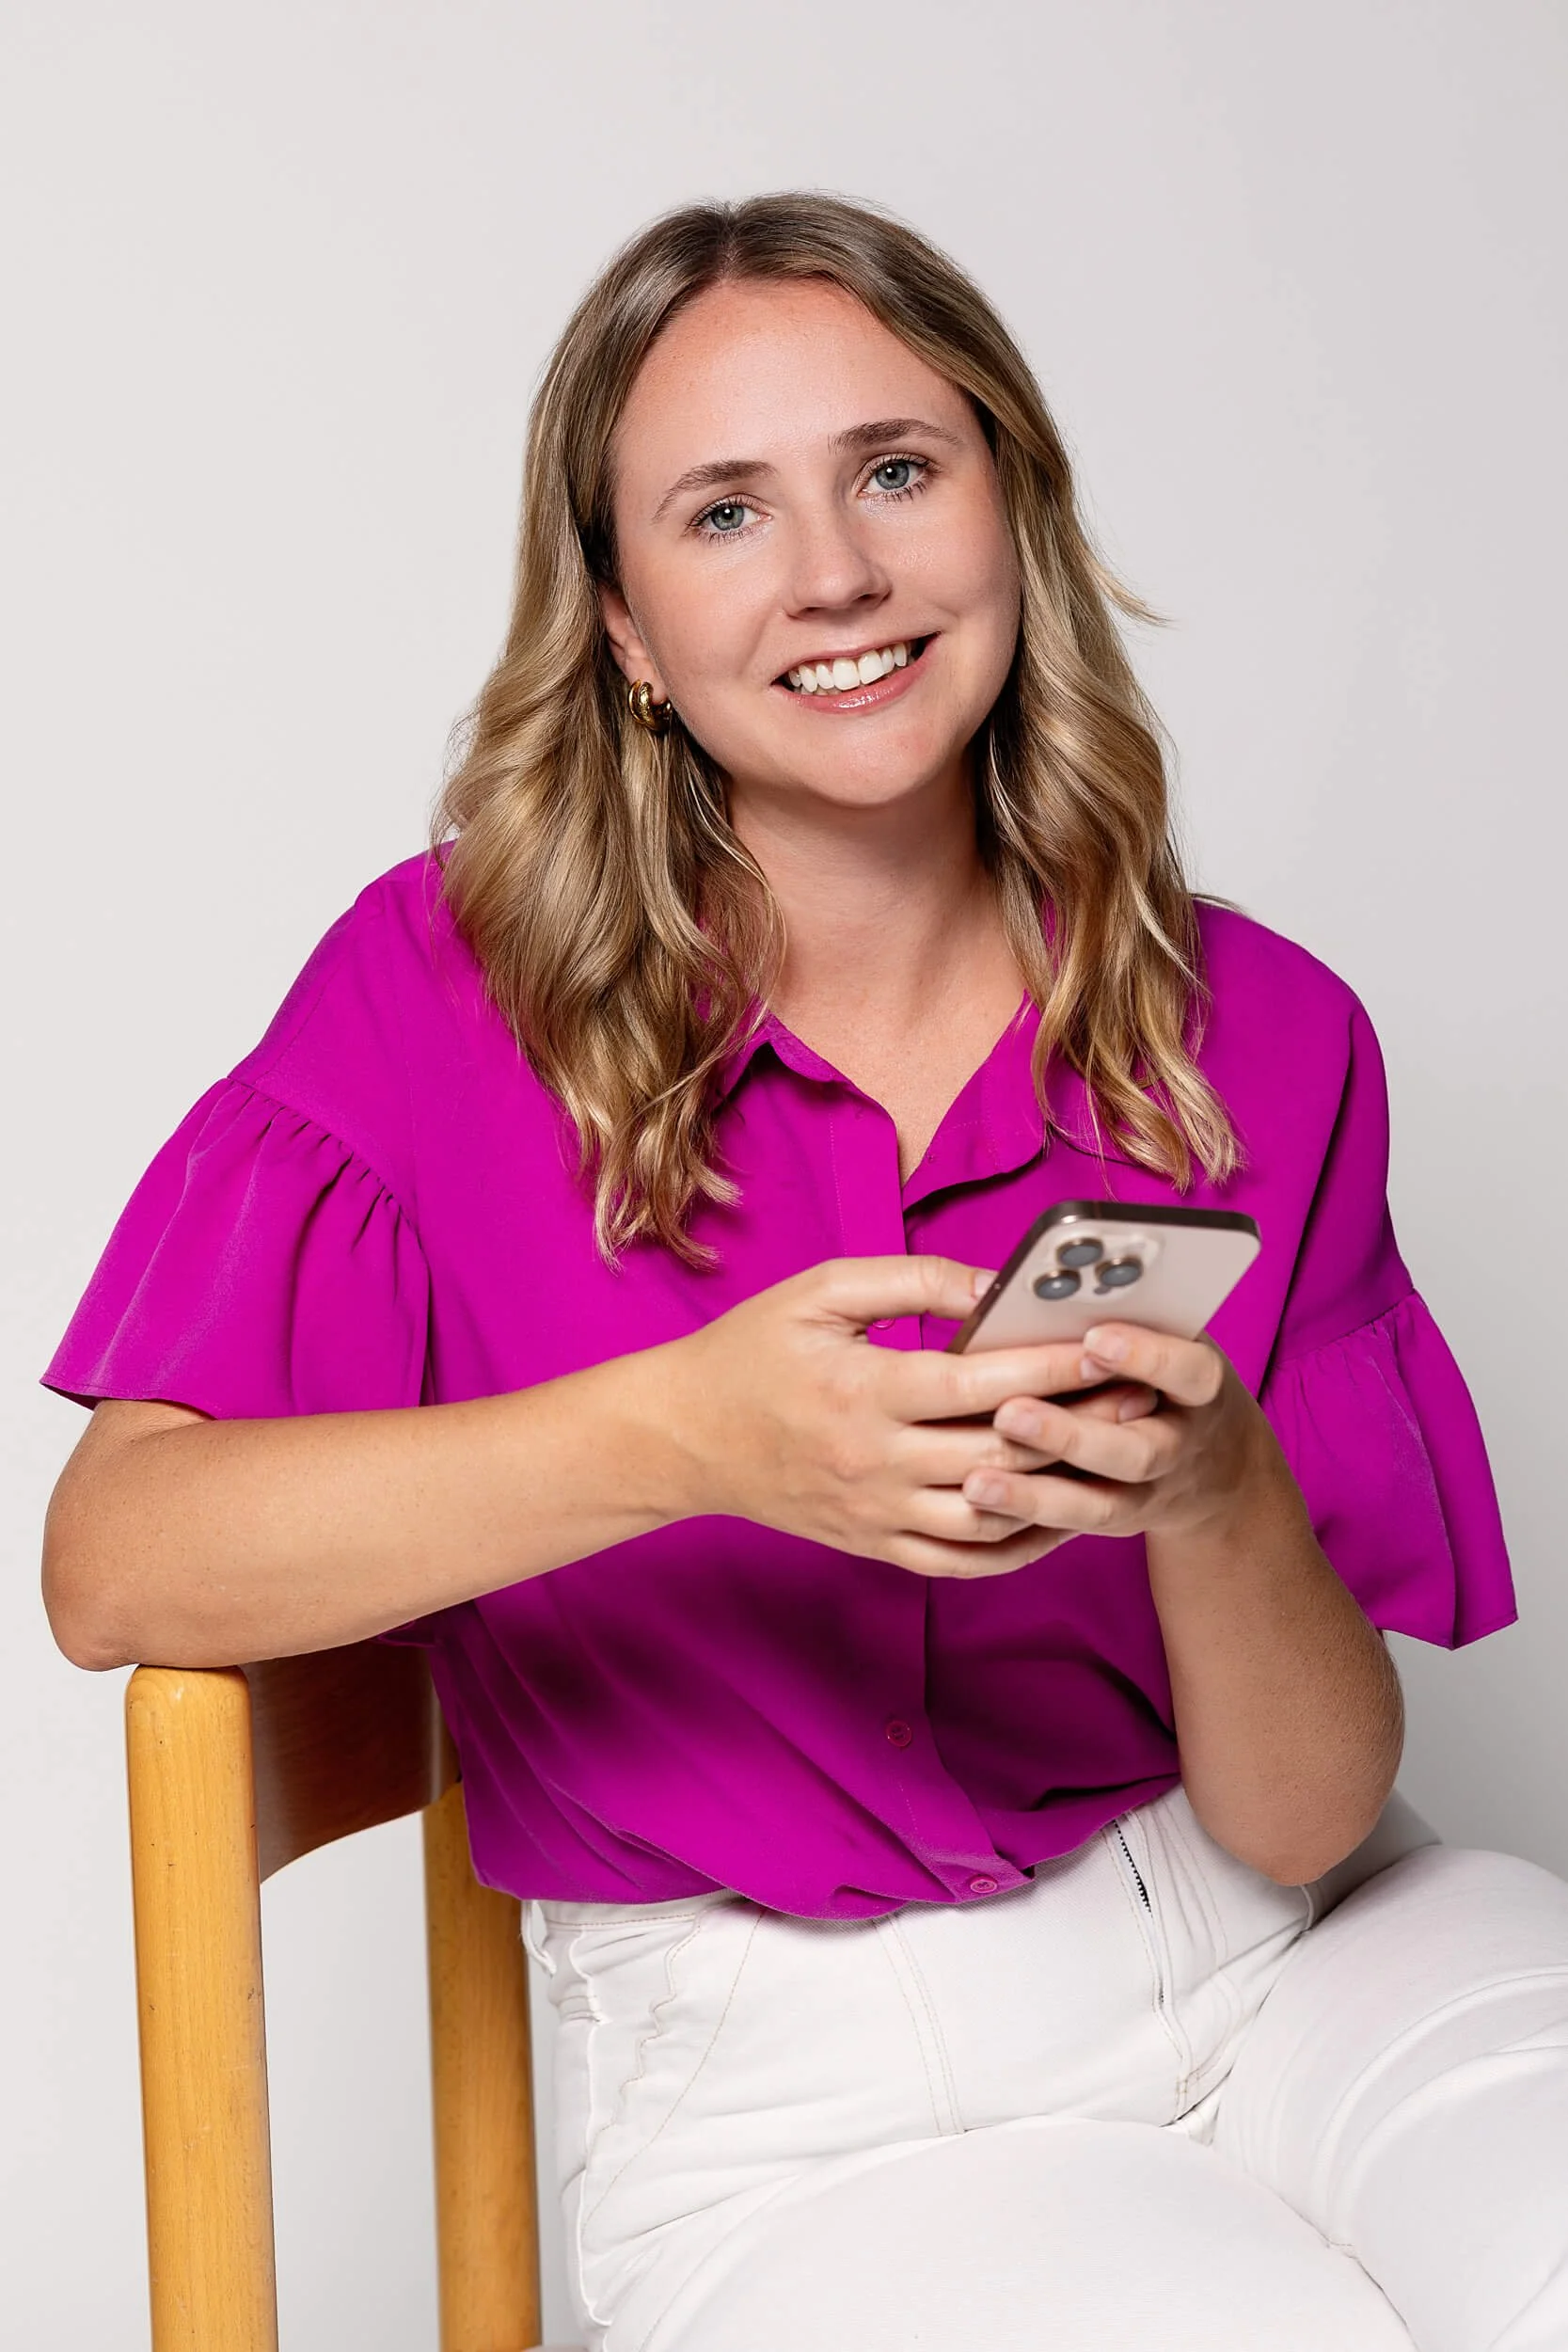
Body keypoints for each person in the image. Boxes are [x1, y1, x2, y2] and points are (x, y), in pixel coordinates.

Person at [40, 194, 1568, 2352]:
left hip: (1303, 1941)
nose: (834, 570)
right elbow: (117, 1560)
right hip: (810, 2101)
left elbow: (1307, 1807)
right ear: (625, 630)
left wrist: (1210, 1491)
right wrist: (690, 1435)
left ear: (1007, 514)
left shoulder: (1268, 1028)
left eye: (893, 470)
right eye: (724, 510)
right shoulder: (431, 991)